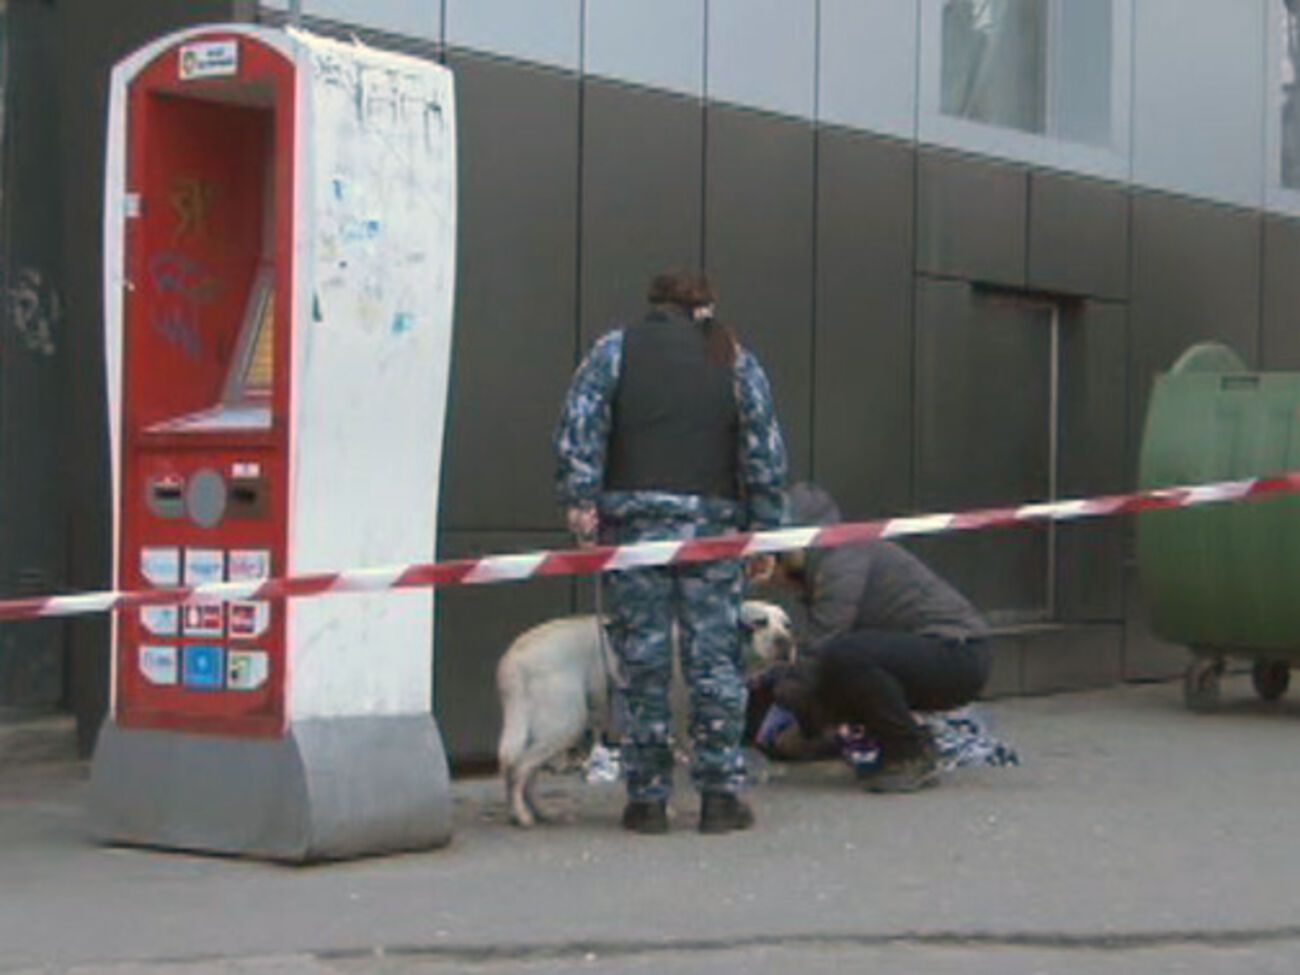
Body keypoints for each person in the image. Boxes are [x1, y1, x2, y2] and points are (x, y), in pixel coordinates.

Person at [554, 270, 787, 834]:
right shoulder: (733, 357)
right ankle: (719, 797)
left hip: (634, 531)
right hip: (713, 529)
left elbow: (579, 426)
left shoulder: (615, 351)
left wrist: (581, 500)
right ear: (704, 309)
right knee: (716, 665)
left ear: (654, 306)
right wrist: (767, 529)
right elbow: (763, 448)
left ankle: (647, 800)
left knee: (642, 664)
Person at [760, 482, 991, 792]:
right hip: (945, 652)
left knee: (846, 655)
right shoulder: (831, 560)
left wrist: (786, 704)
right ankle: (836, 738)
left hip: (957, 652)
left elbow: (822, 645)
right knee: (840, 661)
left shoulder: (842, 559)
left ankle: (910, 753)